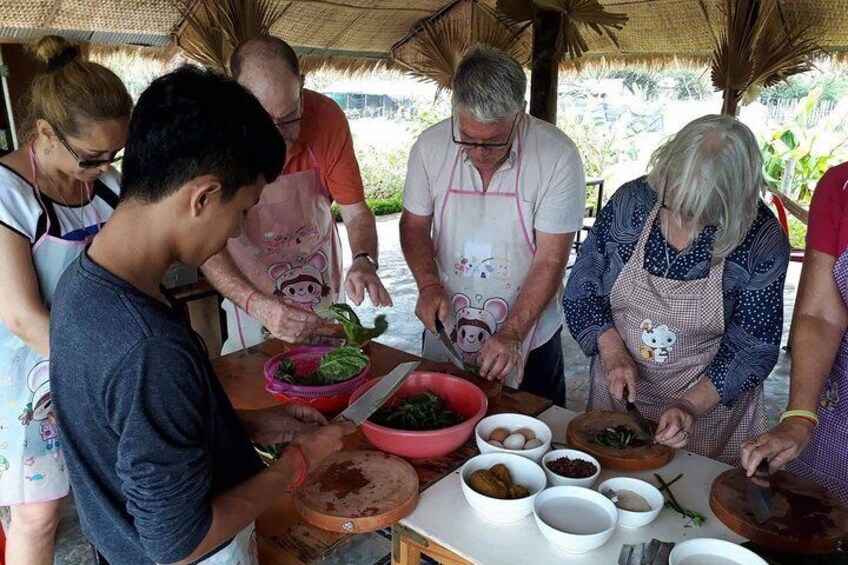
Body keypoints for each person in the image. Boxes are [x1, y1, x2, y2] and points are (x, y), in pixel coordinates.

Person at [49, 66, 352, 564]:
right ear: (204, 196)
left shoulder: (83, 282)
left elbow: (133, 435)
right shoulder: (148, 347)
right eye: (243, 209)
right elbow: (179, 542)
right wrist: (298, 464)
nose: (236, 231)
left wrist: (245, 425)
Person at [564, 115, 790, 464]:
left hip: (708, 410)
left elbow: (753, 347)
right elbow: (583, 288)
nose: (682, 223)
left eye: (701, 213)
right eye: (674, 204)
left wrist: (689, 405)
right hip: (619, 389)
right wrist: (611, 352)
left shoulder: (760, 237)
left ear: (733, 202)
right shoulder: (633, 204)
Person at [0, 36, 131, 565]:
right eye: (91, 157)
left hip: (94, 368)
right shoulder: (8, 193)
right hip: (25, 375)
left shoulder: (107, 189)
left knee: (109, 496)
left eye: (113, 156)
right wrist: (105, 366)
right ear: (46, 134)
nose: (103, 167)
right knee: (39, 514)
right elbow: (21, 315)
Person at [400, 46, 586, 406]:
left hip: (529, 335)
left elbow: (550, 260)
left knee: (533, 432)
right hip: (447, 324)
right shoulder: (430, 146)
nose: (480, 152)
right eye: (467, 138)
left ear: (520, 115)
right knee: (440, 418)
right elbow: (414, 225)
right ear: (456, 112)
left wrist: (513, 331)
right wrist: (427, 283)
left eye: (494, 141)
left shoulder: (557, 156)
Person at [202, 36, 392, 354]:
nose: (276, 136)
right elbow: (206, 245)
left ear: (301, 85)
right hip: (248, 292)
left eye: (289, 118)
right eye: (262, 120)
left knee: (331, 367)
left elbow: (356, 212)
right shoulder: (210, 136)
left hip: (318, 280)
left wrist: (364, 260)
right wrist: (256, 304)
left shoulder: (327, 118)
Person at [742, 162, 848, 502]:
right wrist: (800, 417)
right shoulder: (841, 186)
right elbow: (821, 315)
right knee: (821, 522)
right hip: (839, 411)